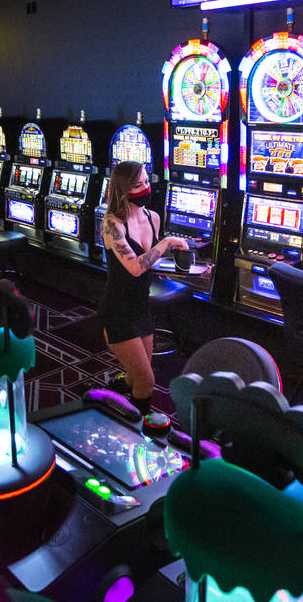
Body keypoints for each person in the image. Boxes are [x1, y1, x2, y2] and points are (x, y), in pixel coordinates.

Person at [98, 160, 191, 414]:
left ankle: (112, 391)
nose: (145, 188)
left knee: (137, 375)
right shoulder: (111, 224)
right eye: (138, 185)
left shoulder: (154, 218)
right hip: (117, 311)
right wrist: (168, 242)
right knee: (146, 381)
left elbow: (151, 264)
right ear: (123, 189)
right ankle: (136, 430)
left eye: (147, 182)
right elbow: (136, 267)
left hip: (141, 307)